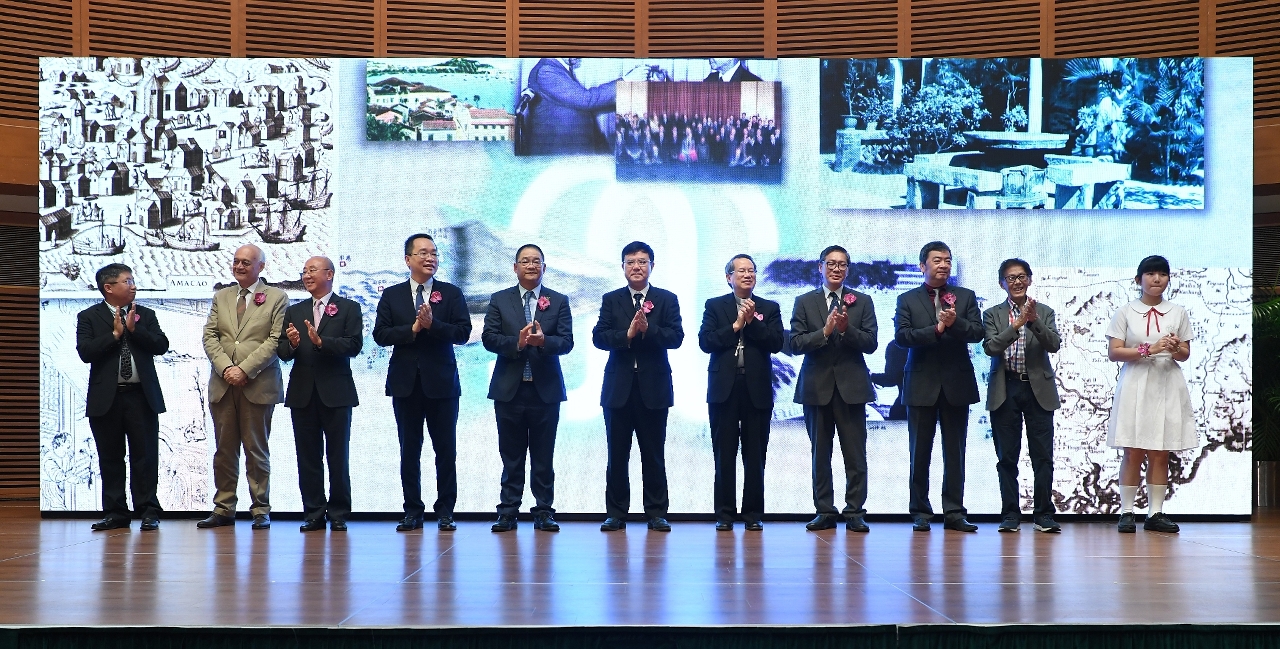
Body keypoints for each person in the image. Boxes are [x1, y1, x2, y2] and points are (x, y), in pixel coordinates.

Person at [373, 234, 473, 532]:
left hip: (442, 384)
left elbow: (463, 333)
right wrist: (413, 328)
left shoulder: (450, 293)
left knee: (446, 450)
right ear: (408, 259)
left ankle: (446, 511)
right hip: (405, 384)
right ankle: (412, 511)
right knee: (409, 450)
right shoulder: (392, 295)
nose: (431, 258)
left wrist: (433, 325)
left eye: (434, 253)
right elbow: (381, 335)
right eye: (423, 253)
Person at [482, 244, 574, 533]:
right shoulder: (499, 299)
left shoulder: (558, 301)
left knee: (543, 456)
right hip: (509, 390)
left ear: (544, 268)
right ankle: (508, 511)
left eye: (536, 261)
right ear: (515, 267)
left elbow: (567, 342)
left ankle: (544, 511)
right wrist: (518, 343)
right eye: (525, 261)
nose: (531, 265)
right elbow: (489, 338)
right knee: (511, 456)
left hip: (544, 391)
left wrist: (544, 341)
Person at [593, 241, 684, 532]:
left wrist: (649, 330)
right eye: (630, 262)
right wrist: (628, 334)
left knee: (653, 454)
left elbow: (676, 337)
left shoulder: (666, 299)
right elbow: (599, 337)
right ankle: (616, 513)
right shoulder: (611, 299)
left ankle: (656, 513)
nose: (636, 267)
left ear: (652, 266)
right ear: (622, 267)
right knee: (617, 455)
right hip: (618, 389)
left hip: (654, 389)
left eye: (642, 262)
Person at [895, 241, 983, 532]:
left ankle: (954, 512)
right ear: (922, 266)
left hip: (957, 384)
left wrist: (955, 322)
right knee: (919, 452)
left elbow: (977, 333)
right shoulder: (907, 299)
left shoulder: (965, 296)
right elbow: (903, 337)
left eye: (947, 260)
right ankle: (920, 511)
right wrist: (936, 329)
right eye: (937, 260)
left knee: (955, 453)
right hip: (921, 384)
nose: (944, 265)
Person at [198, 244, 287, 530]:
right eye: (236, 261)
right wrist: (227, 369)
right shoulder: (221, 296)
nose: (239, 266)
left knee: (256, 450)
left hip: (257, 384)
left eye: (246, 262)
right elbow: (210, 337)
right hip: (223, 384)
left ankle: (260, 509)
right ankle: (223, 508)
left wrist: (244, 369)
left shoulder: (277, 297)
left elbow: (275, 340)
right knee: (224, 451)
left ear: (261, 266)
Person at [790, 246, 878, 533]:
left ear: (848, 269)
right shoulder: (804, 302)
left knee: (856, 456)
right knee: (820, 455)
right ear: (820, 267)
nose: (837, 269)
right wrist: (825, 332)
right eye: (831, 263)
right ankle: (824, 511)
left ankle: (855, 511)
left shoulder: (862, 301)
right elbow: (796, 343)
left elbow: (871, 343)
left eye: (842, 264)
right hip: (816, 389)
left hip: (852, 389)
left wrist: (845, 329)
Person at [1106, 255, 1196, 534]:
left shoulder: (1178, 312)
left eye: (1162, 274)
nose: (1157, 279)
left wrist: (1174, 347)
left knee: (1160, 450)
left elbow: (1184, 354)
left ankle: (1155, 512)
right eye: (1150, 274)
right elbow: (1114, 352)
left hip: (1166, 381)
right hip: (1135, 381)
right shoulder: (1125, 312)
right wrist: (1149, 349)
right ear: (1139, 279)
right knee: (1133, 449)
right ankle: (1127, 512)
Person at [76, 263, 168, 531]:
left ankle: (148, 510)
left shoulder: (145, 315)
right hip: (107, 399)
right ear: (109, 287)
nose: (133, 286)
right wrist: (115, 335)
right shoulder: (89, 317)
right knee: (110, 457)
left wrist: (135, 330)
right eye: (127, 281)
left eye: (132, 280)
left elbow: (161, 346)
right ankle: (115, 513)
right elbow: (85, 352)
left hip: (141, 396)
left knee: (145, 456)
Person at [698, 254, 784, 531]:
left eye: (751, 271)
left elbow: (777, 343)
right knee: (724, 454)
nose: (747, 275)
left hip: (756, 389)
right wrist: (735, 326)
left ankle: (753, 514)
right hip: (724, 388)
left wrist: (752, 322)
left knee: (755, 455)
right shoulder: (715, 306)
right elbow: (706, 342)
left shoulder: (769, 307)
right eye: (741, 271)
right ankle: (724, 514)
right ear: (729, 277)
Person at [277, 257, 363, 533]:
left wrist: (321, 342)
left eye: (312, 270)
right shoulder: (294, 311)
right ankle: (313, 512)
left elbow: (354, 345)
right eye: (304, 271)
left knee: (338, 456)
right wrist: (292, 344)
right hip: (302, 393)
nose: (306, 275)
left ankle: (338, 513)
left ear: (330, 274)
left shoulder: (349, 308)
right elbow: (282, 351)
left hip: (336, 393)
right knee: (308, 457)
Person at [982, 259, 1062, 534]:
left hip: (1038, 390)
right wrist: (1016, 325)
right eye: (1011, 278)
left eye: (1021, 276)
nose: (1017, 282)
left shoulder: (1044, 311)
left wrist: (1034, 321)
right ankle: (1010, 515)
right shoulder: (992, 314)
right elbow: (991, 347)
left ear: (1029, 279)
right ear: (1001, 283)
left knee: (1043, 457)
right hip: (1006, 388)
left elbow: (1054, 344)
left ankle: (1043, 514)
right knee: (1007, 457)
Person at [524, 57, 617, 155]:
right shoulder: (547, 70)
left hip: (568, 149)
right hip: (558, 153)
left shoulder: (558, 68)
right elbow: (586, 99)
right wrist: (623, 81)